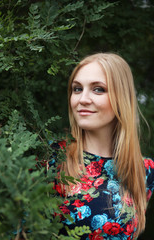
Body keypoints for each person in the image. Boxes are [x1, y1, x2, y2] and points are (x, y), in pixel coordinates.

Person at [53, 53, 154, 240]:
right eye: (77, 89)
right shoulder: (52, 159)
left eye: (98, 89)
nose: (82, 99)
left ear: (121, 98)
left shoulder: (144, 170)